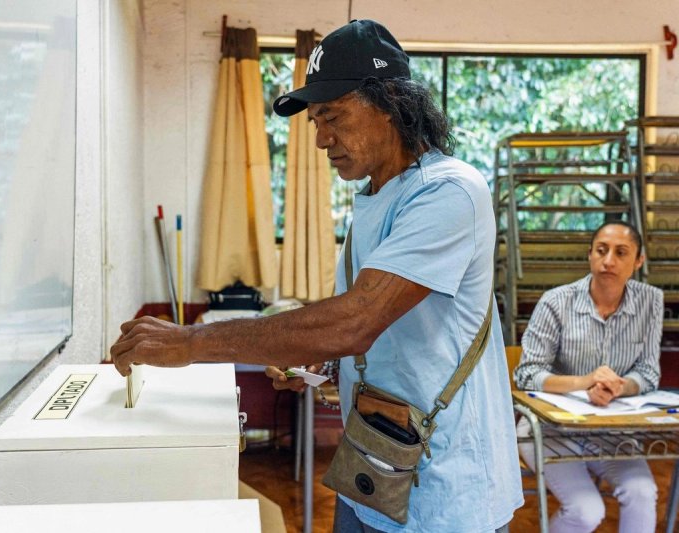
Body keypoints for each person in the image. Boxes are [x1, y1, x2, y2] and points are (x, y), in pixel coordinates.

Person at [111, 19, 522, 532]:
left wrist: (189, 342)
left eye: (333, 117)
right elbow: (377, 335)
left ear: (391, 102)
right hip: (373, 467)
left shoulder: (449, 193)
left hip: (444, 488)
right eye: (315, 122)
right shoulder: (372, 198)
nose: (323, 138)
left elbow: (356, 321)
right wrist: (324, 365)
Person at [514, 220, 663, 533]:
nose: (608, 261)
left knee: (642, 492)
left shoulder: (650, 302)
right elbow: (527, 374)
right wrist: (585, 382)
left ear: (638, 262)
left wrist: (620, 387)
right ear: (590, 255)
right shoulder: (557, 301)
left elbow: (648, 371)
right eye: (601, 250)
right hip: (548, 429)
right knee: (586, 510)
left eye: (621, 253)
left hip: (611, 428)